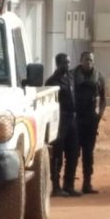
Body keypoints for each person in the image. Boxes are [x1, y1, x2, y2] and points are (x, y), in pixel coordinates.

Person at [45, 53, 79, 197]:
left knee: (73, 153)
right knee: (58, 154)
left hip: (72, 119)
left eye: (69, 63)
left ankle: (69, 185)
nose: (68, 65)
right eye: (65, 63)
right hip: (59, 120)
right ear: (58, 64)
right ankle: (56, 187)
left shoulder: (70, 77)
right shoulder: (52, 81)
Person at [73, 51, 106, 194]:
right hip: (75, 120)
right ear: (81, 61)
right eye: (86, 60)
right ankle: (69, 185)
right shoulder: (72, 75)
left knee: (88, 153)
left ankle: (87, 183)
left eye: (91, 60)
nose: (89, 62)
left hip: (91, 120)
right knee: (73, 153)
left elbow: (103, 98)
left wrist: (99, 115)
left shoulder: (99, 76)